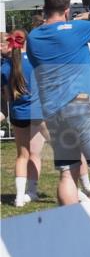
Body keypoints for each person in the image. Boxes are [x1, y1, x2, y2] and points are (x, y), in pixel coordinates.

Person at [28, 0, 90, 205]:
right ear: (66, 10)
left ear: (45, 8)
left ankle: (70, 225)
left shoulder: (33, 37)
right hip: (82, 103)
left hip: (54, 111)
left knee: (68, 172)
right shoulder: (76, 28)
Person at [2, 29, 46, 207]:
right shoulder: (36, 62)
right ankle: (32, 191)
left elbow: (6, 96)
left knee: (22, 155)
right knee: (35, 154)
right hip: (38, 113)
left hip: (18, 114)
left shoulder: (5, 67)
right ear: (26, 42)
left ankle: (19, 197)